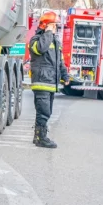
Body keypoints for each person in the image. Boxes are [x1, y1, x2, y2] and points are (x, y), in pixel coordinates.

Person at [29, 11, 69, 149]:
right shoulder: (36, 40)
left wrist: (65, 75)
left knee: (46, 111)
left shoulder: (55, 41)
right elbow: (41, 48)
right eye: (54, 25)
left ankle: (38, 136)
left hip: (50, 82)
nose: (56, 28)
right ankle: (41, 138)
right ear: (46, 25)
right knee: (44, 111)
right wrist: (48, 33)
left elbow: (60, 61)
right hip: (42, 82)